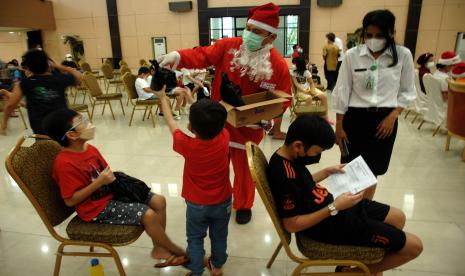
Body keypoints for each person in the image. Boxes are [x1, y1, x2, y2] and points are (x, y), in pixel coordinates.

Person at [157, 2, 291, 224]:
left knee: (245, 172)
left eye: (257, 32)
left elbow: (283, 99)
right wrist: (177, 56)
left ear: (270, 38)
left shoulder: (278, 66)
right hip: (216, 123)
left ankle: (243, 205)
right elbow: (202, 55)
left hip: (249, 129)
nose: (249, 34)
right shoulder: (229, 46)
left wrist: (266, 120)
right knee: (213, 166)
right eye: (248, 28)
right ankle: (214, 199)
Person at [267, 115, 423, 276]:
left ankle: (367, 260)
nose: (316, 155)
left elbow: (301, 185)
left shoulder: (287, 156)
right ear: (298, 146)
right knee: (414, 246)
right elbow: (292, 224)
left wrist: (327, 172)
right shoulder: (284, 175)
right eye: (317, 151)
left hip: (338, 209)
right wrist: (334, 207)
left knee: (398, 218)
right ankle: (353, 272)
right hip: (330, 225)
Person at [42, 108, 188, 268]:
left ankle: (159, 248)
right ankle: (172, 248)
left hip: (110, 194)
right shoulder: (65, 164)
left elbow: (106, 173)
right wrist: (99, 182)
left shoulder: (90, 149)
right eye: (82, 122)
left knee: (159, 201)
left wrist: (110, 181)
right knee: (149, 215)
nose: (89, 124)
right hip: (95, 209)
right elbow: (70, 201)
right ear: (71, 135)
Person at [332, 10, 417, 200]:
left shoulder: (403, 55)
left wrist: (393, 116)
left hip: (384, 120)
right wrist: (339, 125)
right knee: (349, 167)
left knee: (372, 170)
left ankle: (365, 210)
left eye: (379, 35)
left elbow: (408, 91)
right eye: (368, 35)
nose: (373, 39)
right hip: (354, 119)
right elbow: (342, 90)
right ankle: (348, 209)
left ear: (390, 33)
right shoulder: (352, 55)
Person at [158, 86, 232, 276]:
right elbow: (210, 121)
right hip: (222, 200)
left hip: (196, 203)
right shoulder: (224, 136)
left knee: (195, 238)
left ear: (191, 127)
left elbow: (170, 121)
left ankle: (197, 271)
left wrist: (163, 99)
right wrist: (192, 100)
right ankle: (218, 267)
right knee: (219, 235)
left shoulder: (187, 145)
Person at [1, 49, 82, 135]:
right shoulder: (59, 78)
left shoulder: (24, 83)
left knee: (45, 147)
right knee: (63, 147)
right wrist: (57, 66)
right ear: (47, 64)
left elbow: (10, 105)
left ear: (28, 66)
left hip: (41, 130)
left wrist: (4, 124)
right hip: (63, 127)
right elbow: (79, 76)